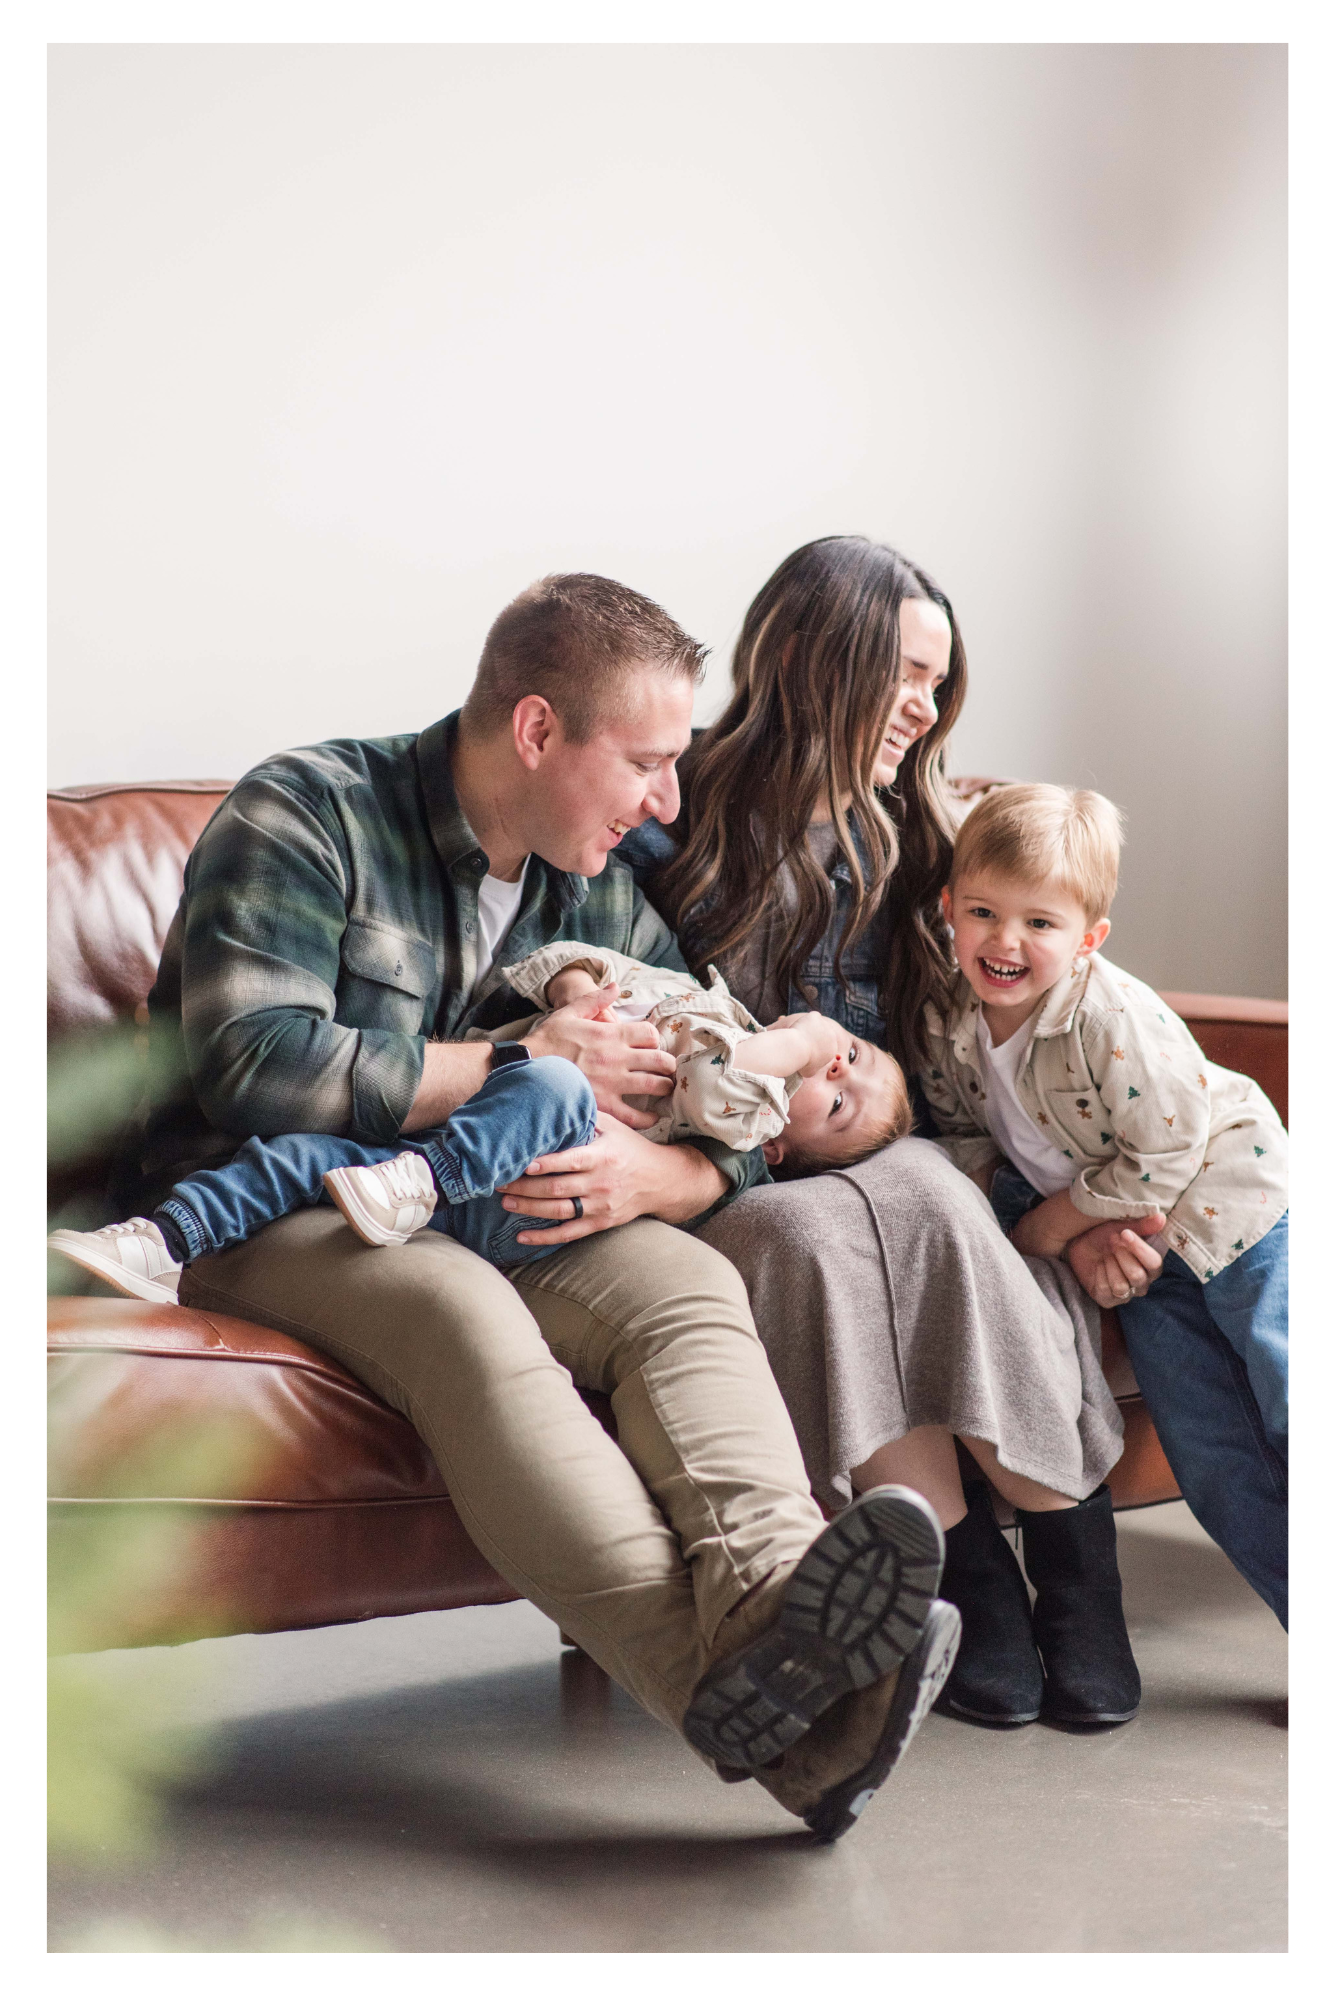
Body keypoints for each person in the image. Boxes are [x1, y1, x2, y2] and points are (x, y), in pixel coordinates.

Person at [106, 569, 960, 1842]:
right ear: (537, 731)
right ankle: (755, 1704)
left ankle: (779, 1600)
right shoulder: (309, 807)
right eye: (648, 763)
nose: (669, 800)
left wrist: (682, 1173)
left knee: (687, 1286)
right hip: (263, 1203)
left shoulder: (589, 878)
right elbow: (250, 1062)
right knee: (464, 1319)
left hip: (477, 1200)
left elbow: (717, 1052)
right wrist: (515, 1063)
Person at [617, 536, 1144, 1730]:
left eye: (936, 681)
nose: (923, 706)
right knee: (817, 1234)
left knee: (932, 1196)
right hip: (727, 1168)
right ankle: (964, 1579)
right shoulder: (666, 815)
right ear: (805, 653)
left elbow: (982, 1031)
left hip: (890, 1139)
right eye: (903, 673)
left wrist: (889, 1098)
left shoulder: (930, 832)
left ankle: (1071, 1568)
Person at [921, 782, 1288, 1633]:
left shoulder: (1107, 1013)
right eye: (982, 911)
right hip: (1146, 1268)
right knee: (1210, 1453)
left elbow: (1169, 1145)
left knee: (1294, 1395)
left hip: (1239, 1219)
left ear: (1087, 939)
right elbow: (969, 1139)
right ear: (948, 909)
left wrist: (1051, 1228)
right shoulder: (947, 1022)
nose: (1005, 940)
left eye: (1040, 924)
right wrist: (1071, 1226)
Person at [51, 947, 910, 1290]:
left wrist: (802, 1049)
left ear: (789, 1147)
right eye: (855, 1058)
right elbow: (550, 961)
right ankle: (160, 1243)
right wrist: (583, 993)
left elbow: (712, 1075)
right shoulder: (702, 994)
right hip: (438, 1144)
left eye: (840, 1101)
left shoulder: (751, 1112)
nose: (836, 1065)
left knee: (562, 1086)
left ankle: (418, 1184)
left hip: (514, 1200)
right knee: (294, 1153)